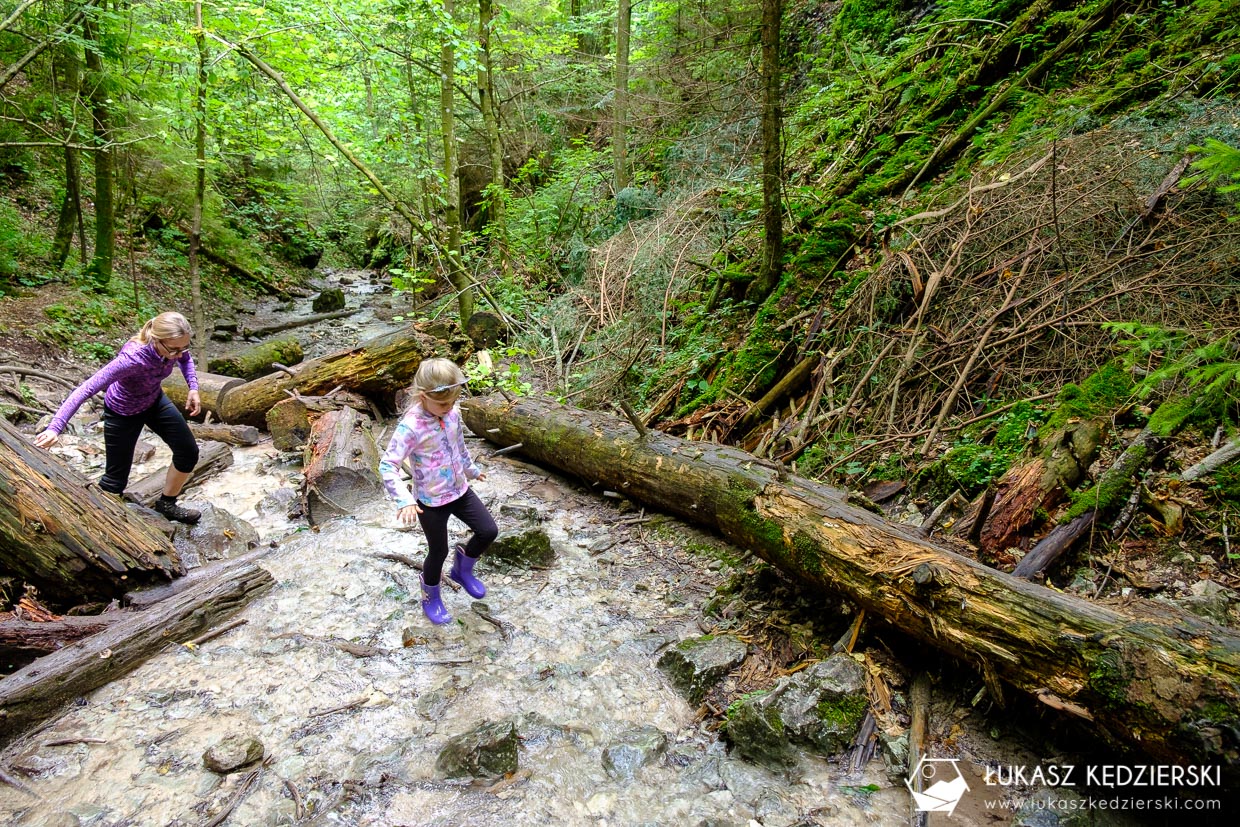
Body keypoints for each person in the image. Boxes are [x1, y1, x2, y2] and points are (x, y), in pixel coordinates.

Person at [34, 311, 203, 524]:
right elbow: (86, 388)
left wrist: (193, 388)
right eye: (174, 350)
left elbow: (185, 359)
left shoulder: (175, 348)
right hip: (122, 412)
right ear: (156, 340)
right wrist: (54, 428)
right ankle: (96, 522)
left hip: (154, 401)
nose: (179, 354)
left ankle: (167, 504)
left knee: (188, 452)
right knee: (115, 482)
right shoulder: (132, 359)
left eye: (184, 347)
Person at [379, 358, 497, 625]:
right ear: (423, 397)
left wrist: (472, 470)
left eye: (452, 402)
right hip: (430, 501)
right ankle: (431, 596)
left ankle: (461, 569)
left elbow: (459, 447)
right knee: (438, 551)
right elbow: (388, 464)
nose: (449, 408)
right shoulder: (411, 427)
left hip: (459, 491)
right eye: (442, 404)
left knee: (488, 531)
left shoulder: (453, 414)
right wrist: (404, 500)